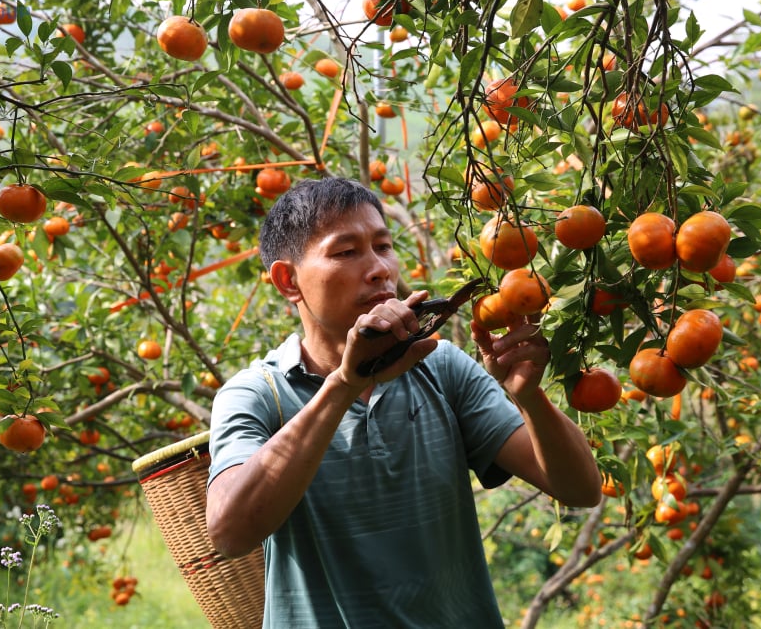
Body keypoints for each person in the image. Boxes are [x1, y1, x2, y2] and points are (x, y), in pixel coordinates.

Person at [206, 177, 601, 627]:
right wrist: (344, 386)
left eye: (383, 246)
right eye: (345, 252)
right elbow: (229, 532)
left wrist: (529, 398)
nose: (379, 269)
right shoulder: (258, 394)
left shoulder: (441, 368)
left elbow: (581, 490)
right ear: (288, 281)